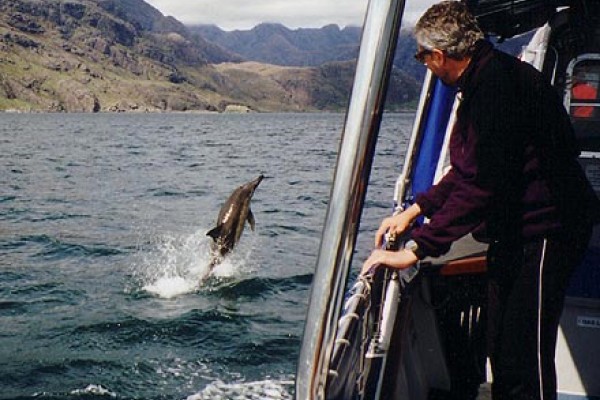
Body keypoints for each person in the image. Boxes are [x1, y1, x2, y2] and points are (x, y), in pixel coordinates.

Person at [361, 2, 599, 400]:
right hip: (516, 230)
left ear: (439, 55)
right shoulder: (484, 81)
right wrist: (418, 210)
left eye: (422, 57)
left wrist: (417, 250)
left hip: (546, 231)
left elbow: (482, 183)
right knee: (503, 348)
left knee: (525, 354)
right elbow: (469, 169)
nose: (423, 64)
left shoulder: (497, 89)